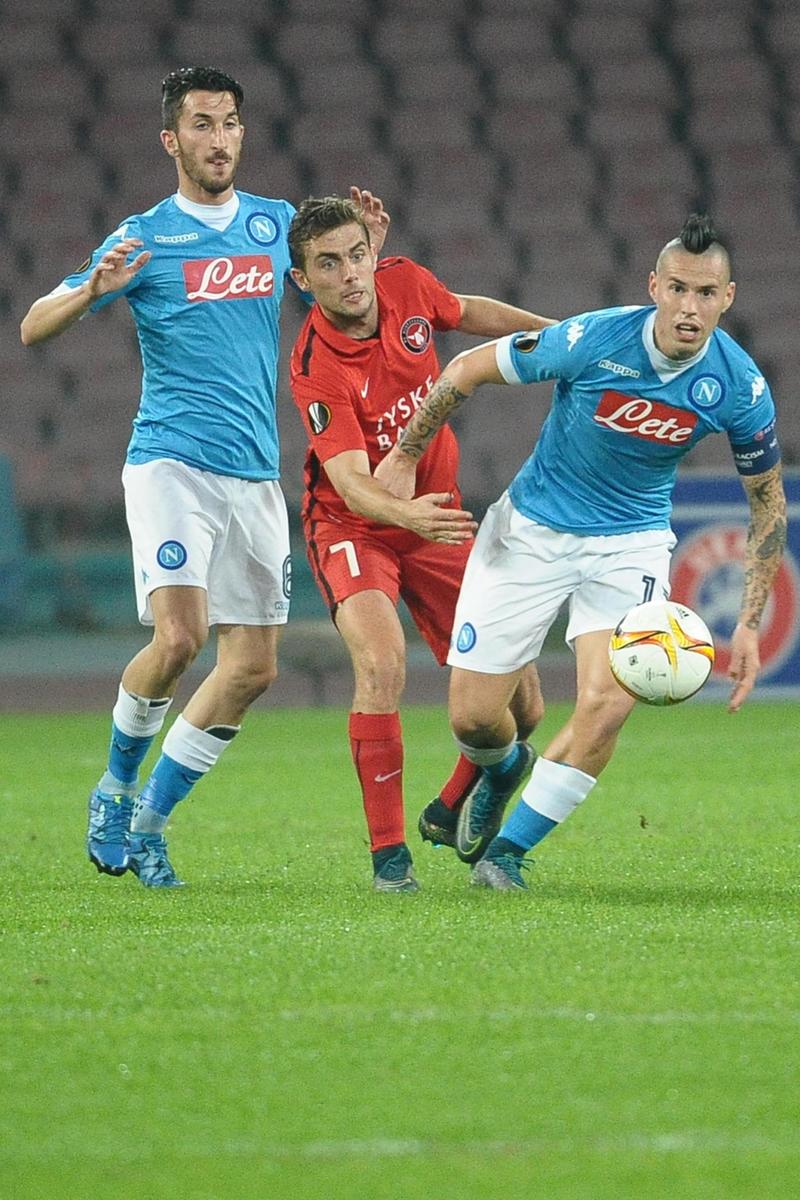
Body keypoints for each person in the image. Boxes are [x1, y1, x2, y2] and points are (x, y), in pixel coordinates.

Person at [19, 67, 389, 888]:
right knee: (181, 638)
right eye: (201, 124)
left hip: (254, 475)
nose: (219, 139)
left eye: (229, 124)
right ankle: (115, 787)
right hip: (172, 464)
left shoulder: (275, 225)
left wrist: (365, 255)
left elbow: (350, 303)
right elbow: (33, 326)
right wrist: (93, 289)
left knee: (253, 668)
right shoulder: (144, 236)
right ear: (171, 140)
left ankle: (150, 824)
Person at [375, 213, 787, 891]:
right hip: (529, 532)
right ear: (654, 287)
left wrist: (747, 621)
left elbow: (767, 503)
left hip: (629, 546)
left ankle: (507, 856)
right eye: (678, 289)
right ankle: (503, 768)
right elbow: (468, 367)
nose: (690, 308)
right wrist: (402, 455)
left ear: (728, 297)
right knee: (474, 720)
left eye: (706, 293)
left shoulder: (738, 387)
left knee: (609, 702)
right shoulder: (593, 339)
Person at [287, 196, 555, 892]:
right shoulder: (315, 364)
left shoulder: (404, 282)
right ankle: (390, 860)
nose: (349, 273)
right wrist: (408, 518)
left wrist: (556, 336)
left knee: (524, 708)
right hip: (354, 528)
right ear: (302, 280)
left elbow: (466, 311)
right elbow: (352, 485)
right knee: (381, 664)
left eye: (356, 255)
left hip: (435, 519)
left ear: (372, 252)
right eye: (328, 264)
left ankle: (486, 777)